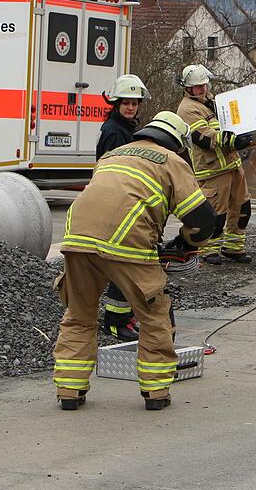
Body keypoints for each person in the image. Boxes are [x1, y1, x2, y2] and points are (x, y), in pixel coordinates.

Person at [53, 111, 217, 411]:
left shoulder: (114, 154)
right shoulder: (171, 161)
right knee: (153, 315)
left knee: (79, 314)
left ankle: (69, 390)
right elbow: (203, 219)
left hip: (77, 236)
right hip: (125, 239)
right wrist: (185, 243)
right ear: (177, 142)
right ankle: (155, 393)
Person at [176, 64, 256, 265]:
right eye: (198, 87)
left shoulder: (211, 101)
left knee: (242, 208)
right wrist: (233, 141)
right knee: (216, 214)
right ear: (187, 88)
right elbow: (203, 137)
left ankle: (234, 248)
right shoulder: (187, 109)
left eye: (204, 85)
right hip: (212, 170)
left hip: (231, 164)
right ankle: (208, 249)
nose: (203, 90)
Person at [95, 73, 151, 341]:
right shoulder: (114, 132)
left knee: (129, 266)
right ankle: (115, 324)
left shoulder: (125, 129)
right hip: (117, 207)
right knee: (122, 266)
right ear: (116, 103)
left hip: (124, 205)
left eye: (135, 103)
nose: (131, 107)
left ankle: (125, 318)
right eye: (126, 103)